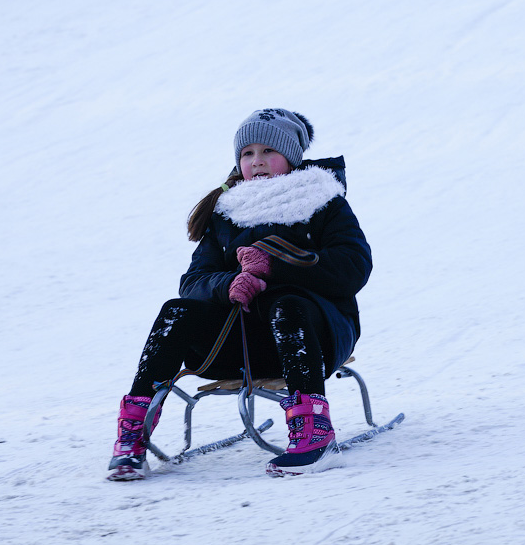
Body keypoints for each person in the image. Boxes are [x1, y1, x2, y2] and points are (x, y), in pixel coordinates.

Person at [107, 108, 372, 481]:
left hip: (311, 339)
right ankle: (133, 433)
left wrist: (275, 267)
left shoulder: (323, 202)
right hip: (237, 347)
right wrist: (228, 284)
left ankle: (315, 431)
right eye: (248, 153)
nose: (257, 160)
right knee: (176, 311)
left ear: (291, 158)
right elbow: (194, 281)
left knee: (287, 305)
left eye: (268, 151)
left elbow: (354, 266)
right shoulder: (228, 212)